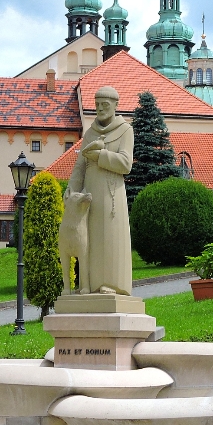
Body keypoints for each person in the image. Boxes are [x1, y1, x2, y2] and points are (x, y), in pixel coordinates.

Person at [66, 86, 134, 295]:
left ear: (115, 106)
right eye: (97, 105)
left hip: (111, 193)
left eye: (105, 105)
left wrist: (101, 156)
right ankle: (90, 284)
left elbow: (125, 163)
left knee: (110, 238)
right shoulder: (90, 133)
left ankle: (113, 284)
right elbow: (79, 166)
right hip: (90, 196)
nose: (101, 109)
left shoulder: (125, 130)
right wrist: (71, 189)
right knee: (91, 241)